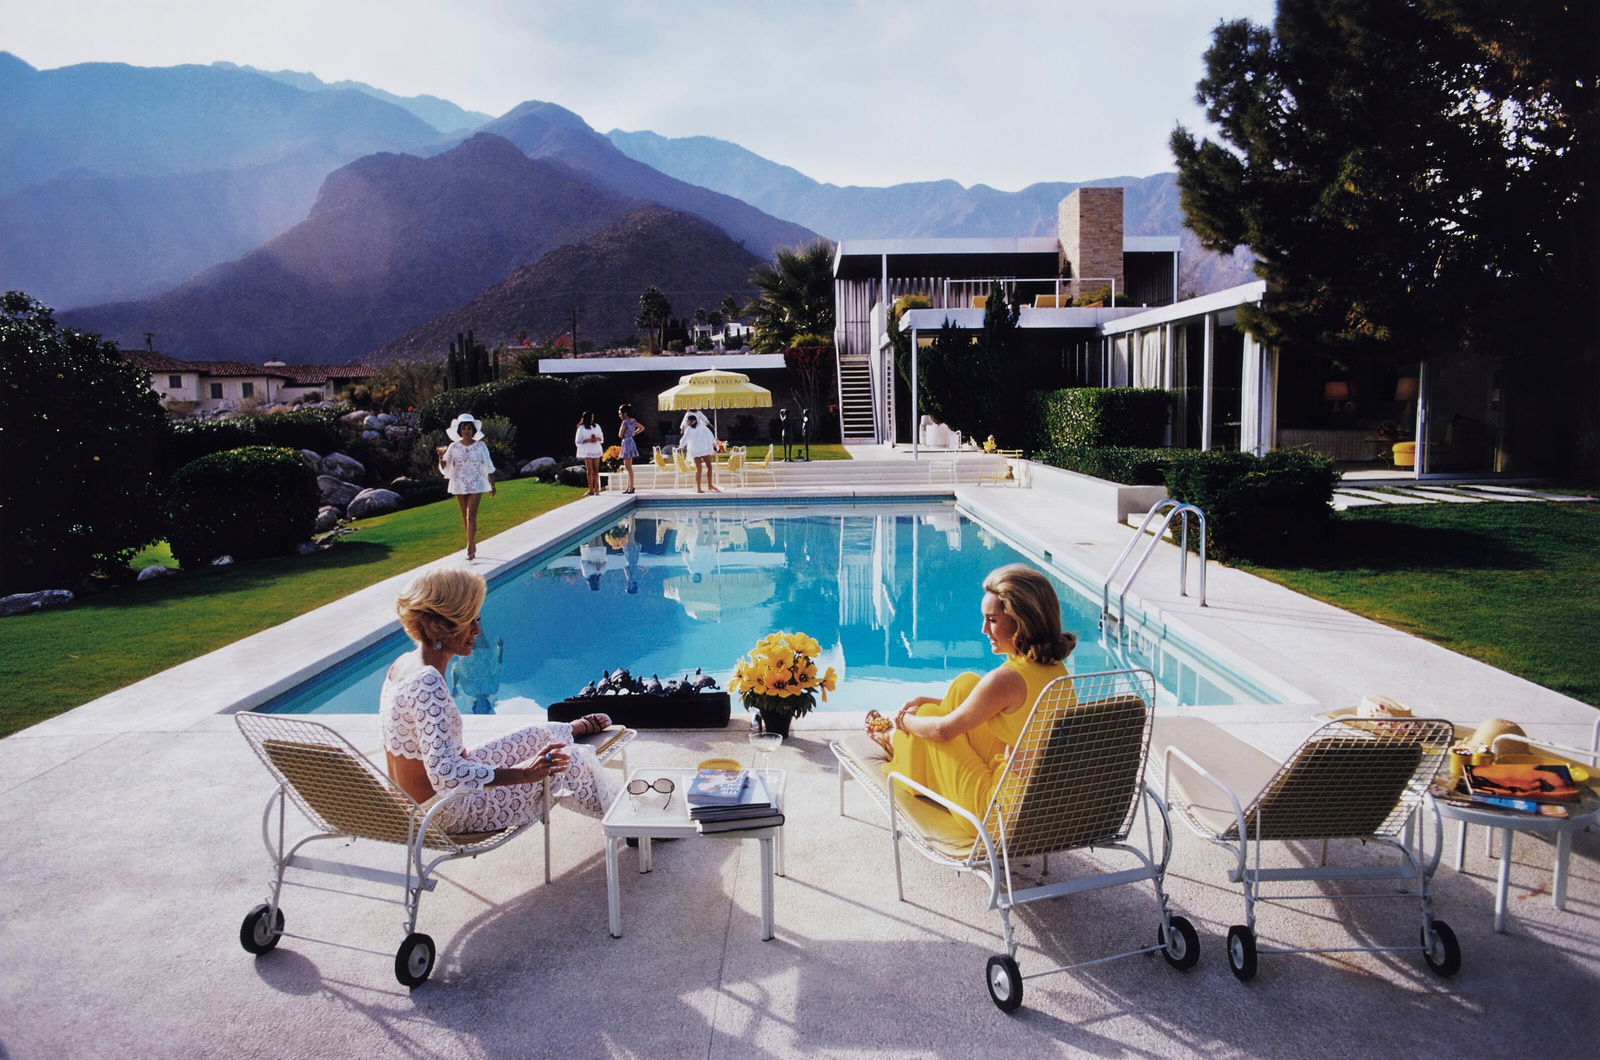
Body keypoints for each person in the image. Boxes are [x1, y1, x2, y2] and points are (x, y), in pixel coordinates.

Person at [380, 566, 617, 832]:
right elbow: (445, 774)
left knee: (535, 735)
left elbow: (435, 759)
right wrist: (524, 773)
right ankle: (628, 821)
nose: (477, 631)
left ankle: (567, 729)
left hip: (418, 800)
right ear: (441, 626)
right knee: (567, 762)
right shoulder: (427, 681)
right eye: (469, 621)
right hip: (446, 811)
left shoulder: (402, 665)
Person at [864, 564, 1077, 835]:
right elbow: (985, 703)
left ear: (1021, 621)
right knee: (966, 685)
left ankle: (897, 740)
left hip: (995, 813)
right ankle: (908, 748)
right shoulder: (1054, 670)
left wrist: (905, 720)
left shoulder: (1007, 679)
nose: (983, 629)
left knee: (930, 716)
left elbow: (943, 730)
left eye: (993, 619)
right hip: (1036, 799)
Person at [437, 413, 496, 561]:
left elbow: (488, 465)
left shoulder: (481, 446)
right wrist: (440, 457)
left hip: (476, 483)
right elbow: (446, 466)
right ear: (460, 430)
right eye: (464, 428)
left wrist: (492, 484)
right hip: (459, 483)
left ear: (473, 430)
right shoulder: (453, 446)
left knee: (471, 516)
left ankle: (470, 548)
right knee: (465, 516)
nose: (466, 431)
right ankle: (472, 542)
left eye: (469, 428)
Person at [680, 413, 720, 493]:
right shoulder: (698, 428)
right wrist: (714, 444)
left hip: (699, 450)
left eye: (688, 421)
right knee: (705, 468)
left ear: (692, 421)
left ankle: (705, 487)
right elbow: (711, 437)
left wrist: (681, 445)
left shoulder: (695, 428)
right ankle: (706, 486)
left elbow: (683, 440)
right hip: (701, 450)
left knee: (702, 469)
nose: (687, 422)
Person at [574, 411, 605, 496]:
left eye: (592, 417)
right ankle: (591, 489)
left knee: (596, 469)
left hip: (596, 449)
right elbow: (578, 441)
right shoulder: (581, 428)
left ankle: (597, 489)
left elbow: (601, 438)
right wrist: (587, 440)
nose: (592, 419)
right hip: (587, 450)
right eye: (590, 418)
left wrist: (596, 439)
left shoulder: (597, 426)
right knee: (589, 470)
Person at [617, 404, 644, 494]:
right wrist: (634, 433)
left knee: (628, 467)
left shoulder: (624, 422)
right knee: (629, 467)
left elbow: (620, 435)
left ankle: (631, 487)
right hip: (631, 441)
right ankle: (629, 486)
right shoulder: (633, 421)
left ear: (625, 413)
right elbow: (642, 428)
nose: (619, 415)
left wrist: (626, 432)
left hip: (626, 442)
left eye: (620, 413)